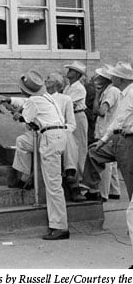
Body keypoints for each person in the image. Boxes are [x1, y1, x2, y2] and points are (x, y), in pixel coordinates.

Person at [0, 70, 69, 240]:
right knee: (53, 183)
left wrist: (15, 113)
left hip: (50, 138)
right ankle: (25, 178)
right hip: (57, 136)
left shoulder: (34, 100)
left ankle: (60, 227)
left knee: (53, 185)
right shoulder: (46, 97)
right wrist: (12, 103)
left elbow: (25, 118)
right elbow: (27, 105)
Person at [82, 61, 133, 201]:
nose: (112, 79)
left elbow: (114, 117)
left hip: (128, 139)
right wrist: (104, 140)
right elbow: (118, 120)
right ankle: (91, 187)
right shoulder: (123, 93)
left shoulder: (127, 93)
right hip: (118, 137)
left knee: (126, 177)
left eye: (114, 77)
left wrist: (104, 139)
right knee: (94, 153)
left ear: (120, 79)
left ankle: (97, 190)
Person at [45, 73, 85, 202]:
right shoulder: (40, 98)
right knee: (65, 137)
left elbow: (71, 124)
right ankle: (73, 182)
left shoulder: (65, 99)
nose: (45, 81)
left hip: (61, 132)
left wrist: (61, 131)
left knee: (68, 136)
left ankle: (70, 175)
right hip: (45, 133)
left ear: (56, 84)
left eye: (49, 79)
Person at [92, 66, 122, 201]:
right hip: (112, 130)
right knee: (113, 164)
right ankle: (114, 191)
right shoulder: (114, 91)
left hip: (106, 131)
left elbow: (102, 111)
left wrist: (97, 95)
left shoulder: (110, 92)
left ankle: (103, 193)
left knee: (105, 163)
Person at [63, 61, 88, 182]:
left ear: (77, 74)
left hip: (77, 116)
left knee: (80, 147)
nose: (68, 72)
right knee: (71, 146)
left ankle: (81, 178)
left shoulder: (79, 88)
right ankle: (73, 175)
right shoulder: (68, 87)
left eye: (71, 70)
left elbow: (68, 104)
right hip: (69, 117)